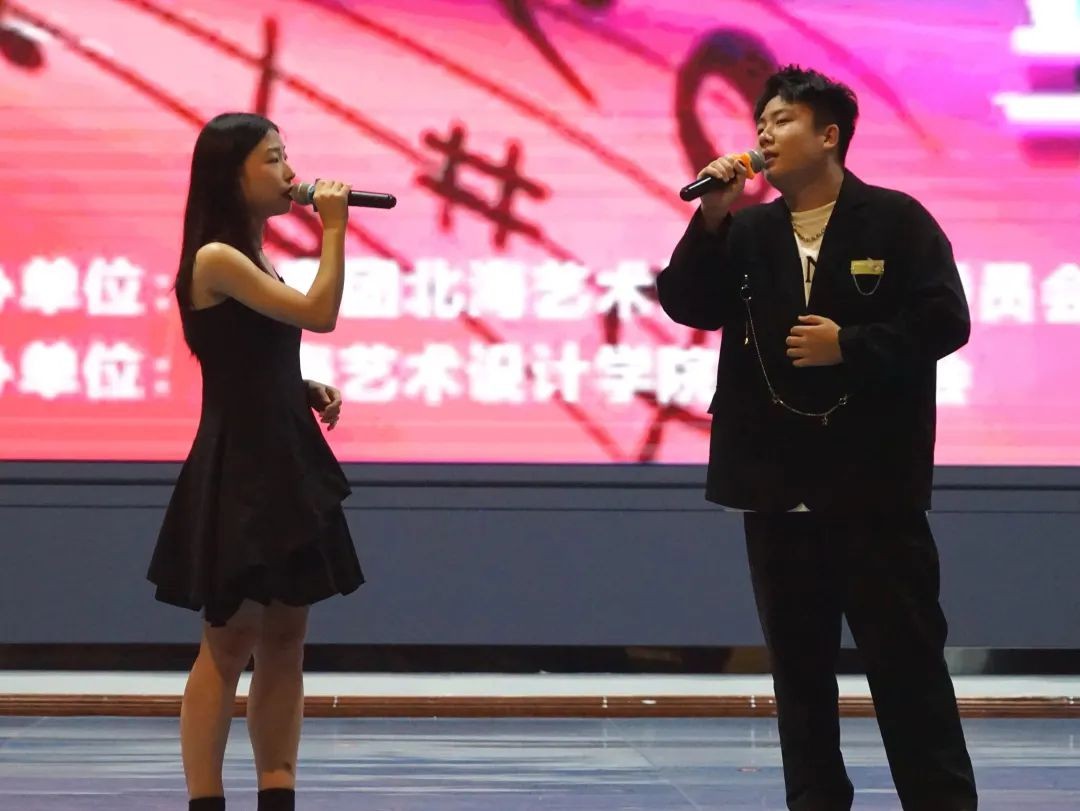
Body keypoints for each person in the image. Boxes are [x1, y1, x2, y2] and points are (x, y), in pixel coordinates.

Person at [656, 66, 978, 811]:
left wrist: (850, 346)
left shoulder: (895, 220)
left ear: (829, 135)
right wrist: (711, 218)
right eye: (760, 123)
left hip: (874, 490)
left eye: (782, 121)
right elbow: (688, 303)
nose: (763, 135)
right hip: (775, 489)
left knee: (907, 668)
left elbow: (945, 320)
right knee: (799, 676)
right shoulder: (748, 230)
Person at [147, 112, 364, 811]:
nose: (290, 172)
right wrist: (335, 228)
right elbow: (319, 312)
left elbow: (245, 354)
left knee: (287, 633)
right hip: (242, 465)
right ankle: (206, 798)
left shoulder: (254, 256)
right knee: (230, 637)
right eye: (272, 158)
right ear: (230, 174)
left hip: (283, 455)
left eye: (285, 155)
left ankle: (278, 789)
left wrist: (298, 385)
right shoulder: (217, 257)